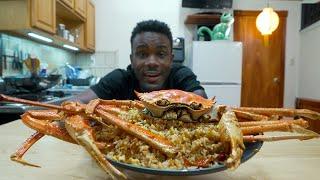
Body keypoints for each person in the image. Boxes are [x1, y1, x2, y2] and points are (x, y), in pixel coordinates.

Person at [73, 19, 207, 103]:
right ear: (132, 59)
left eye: (161, 54)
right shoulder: (119, 79)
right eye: (142, 54)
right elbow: (76, 103)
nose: (152, 62)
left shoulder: (180, 75)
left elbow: (201, 99)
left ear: (171, 60)